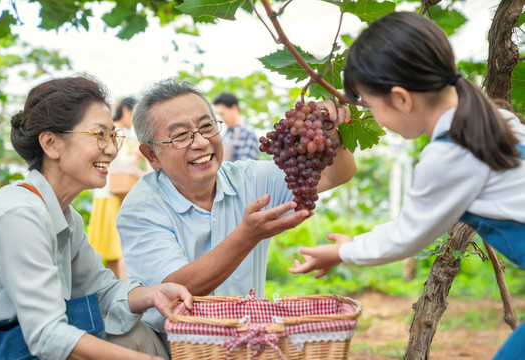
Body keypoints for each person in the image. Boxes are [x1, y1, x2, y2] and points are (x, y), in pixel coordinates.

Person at [287, 12, 525, 359]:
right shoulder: (494, 121)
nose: (372, 116)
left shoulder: (451, 151)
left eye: (370, 104)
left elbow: (407, 235)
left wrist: (341, 252)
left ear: (400, 98)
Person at [116, 78, 356, 338]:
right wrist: (248, 235)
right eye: (181, 135)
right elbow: (174, 292)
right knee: (129, 341)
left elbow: (335, 175)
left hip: (246, 344)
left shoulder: (248, 179)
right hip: (171, 347)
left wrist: (328, 128)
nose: (201, 142)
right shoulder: (141, 208)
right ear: (152, 155)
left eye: (207, 126)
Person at [0, 76, 193, 360]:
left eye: (113, 135)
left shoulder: (63, 216)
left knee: (133, 334)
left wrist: (154, 293)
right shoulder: (20, 215)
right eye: (99, 135)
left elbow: (102, 291)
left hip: (18, 342)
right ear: (51, 144)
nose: (111, 149)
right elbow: (46, 334)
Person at [88, 97, 145, 279]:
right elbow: (120, 162)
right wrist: (137, 151)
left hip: (105, 195)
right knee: (120, 250)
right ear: (127, 111)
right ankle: (126, 291)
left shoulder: (113, 131)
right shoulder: (117, 131)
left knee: (110, 252)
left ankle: (115, 291)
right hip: (111, 195)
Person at [213, 92, 259, 161]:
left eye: (222, 114)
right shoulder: (226, 135)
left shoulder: (247, 134)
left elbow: (245, 169)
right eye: (219, 115)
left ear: (234, 108)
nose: (221, 118)